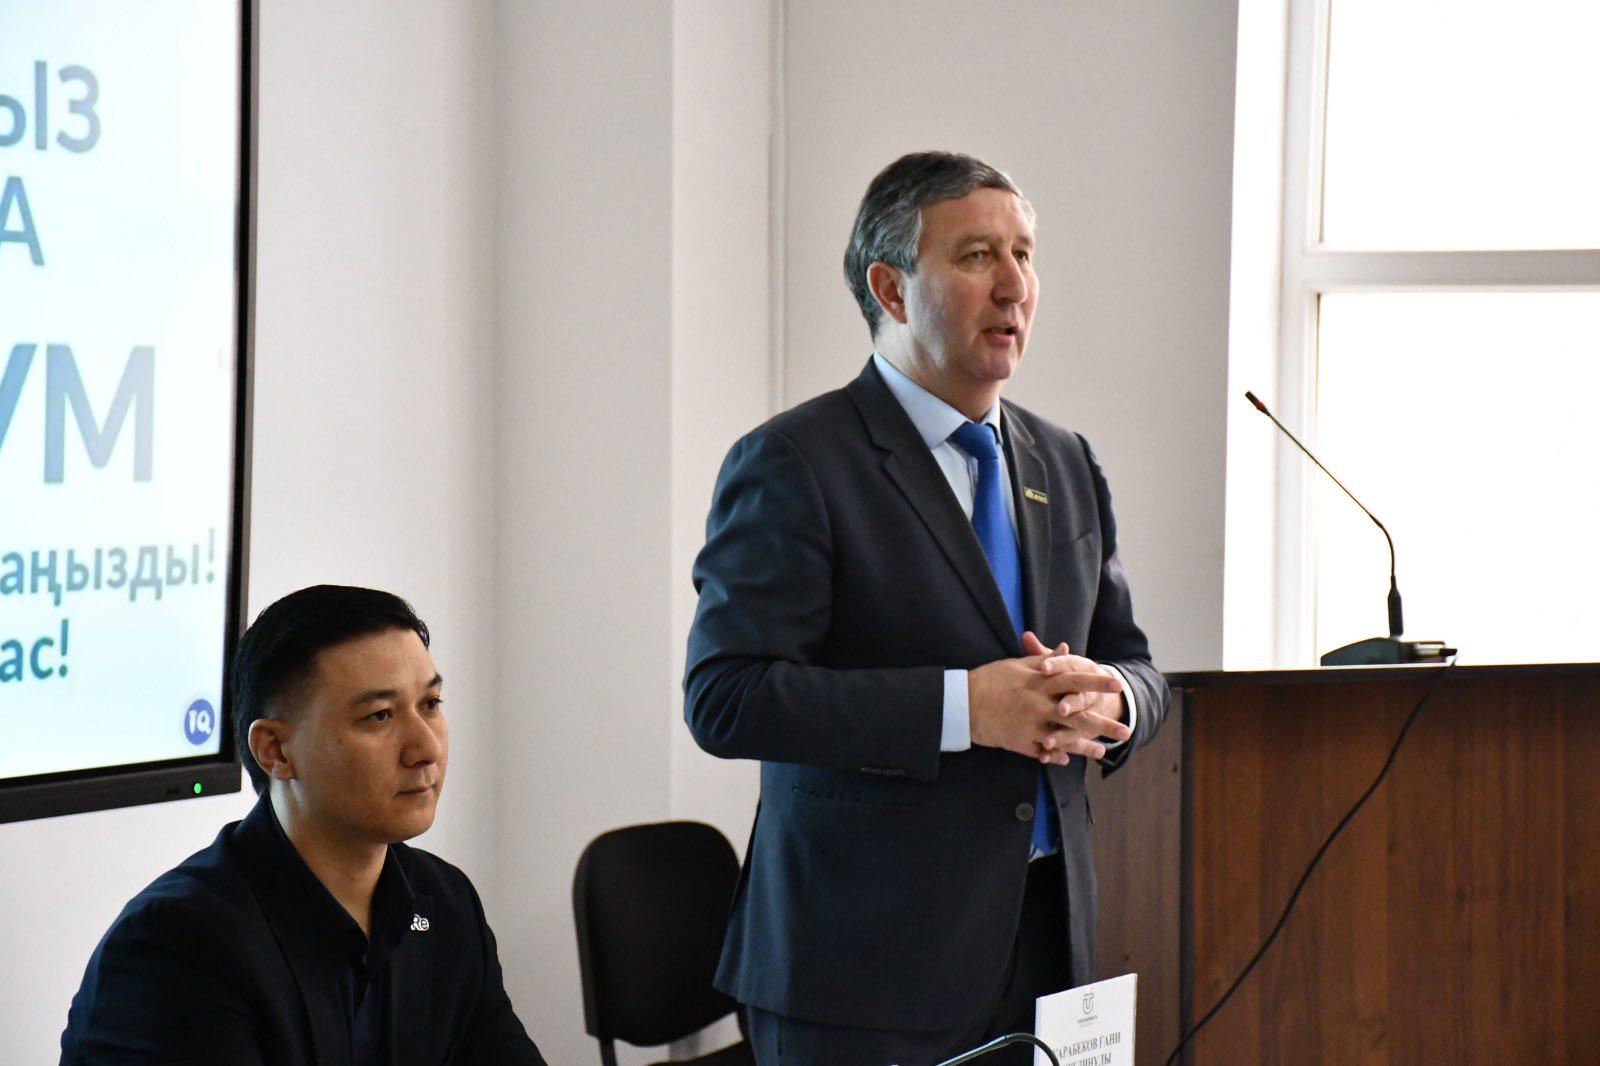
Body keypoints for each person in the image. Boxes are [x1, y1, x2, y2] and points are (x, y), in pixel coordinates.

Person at [684, 151, 1170, 1064]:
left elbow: (1138, 665)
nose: (1014, 285)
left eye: (1024, 254)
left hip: (1045, 950)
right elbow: (727, 697)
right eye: (978, 255)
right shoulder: (795, 461)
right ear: (891, 290)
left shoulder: (1066, 461)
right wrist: (964, 707)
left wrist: (1115, 698)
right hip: (862, 969)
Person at [61, 585, 546, 1065]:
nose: (427, 748)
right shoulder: (176, 945)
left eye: (430, 704)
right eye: (379, 716)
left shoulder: (446, 902)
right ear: (275, 750)